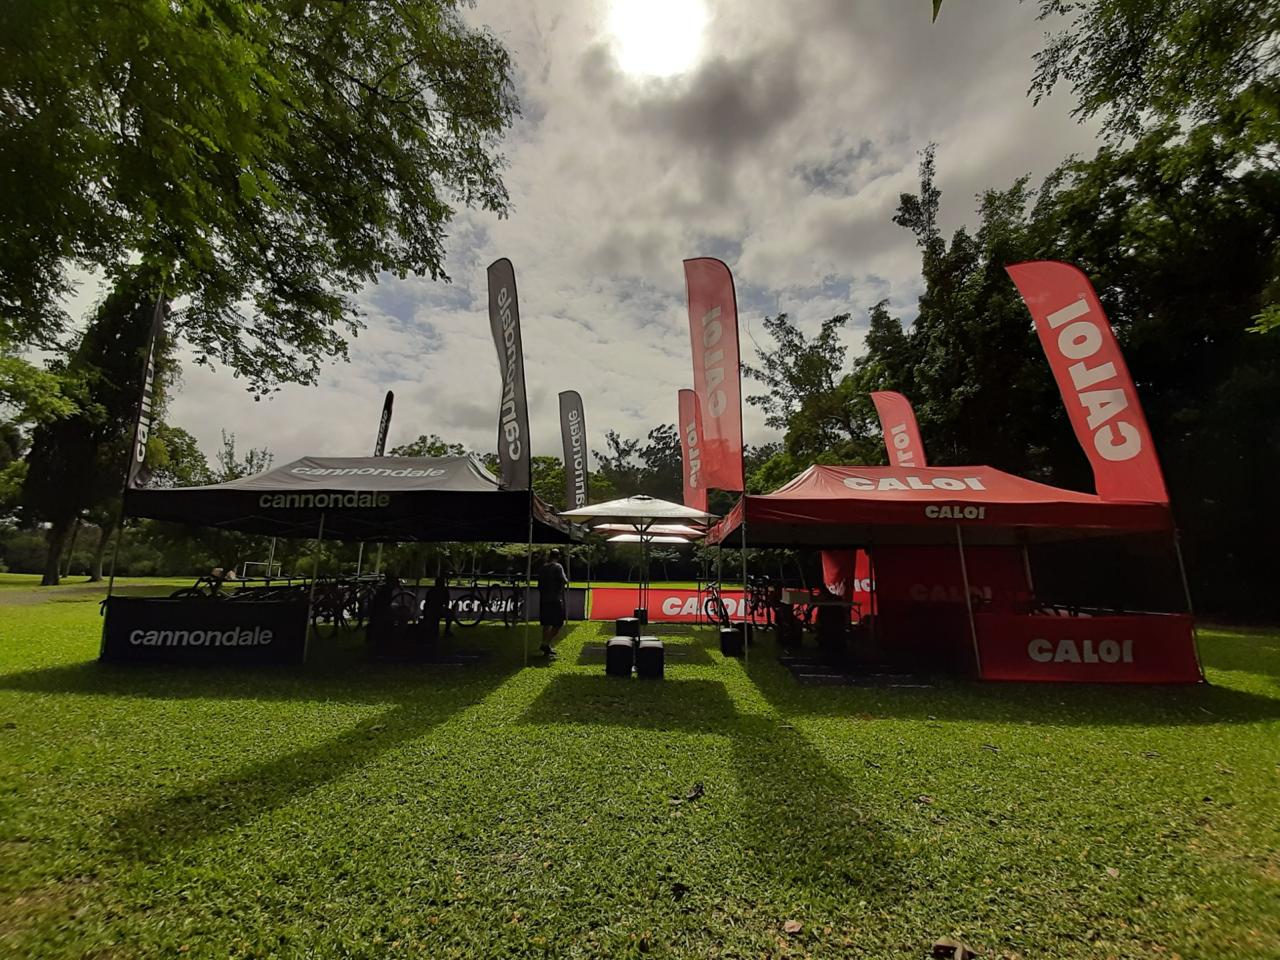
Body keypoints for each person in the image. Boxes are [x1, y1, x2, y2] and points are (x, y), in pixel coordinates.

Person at [537, 548, 568, 659]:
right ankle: (545, 643)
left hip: (544, 599)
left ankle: (546, 647)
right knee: (558, 623)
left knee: (546, 623)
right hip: (555, 599)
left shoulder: (543, 567)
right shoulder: (558, 567)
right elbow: (564, 580)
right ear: (558, 557)